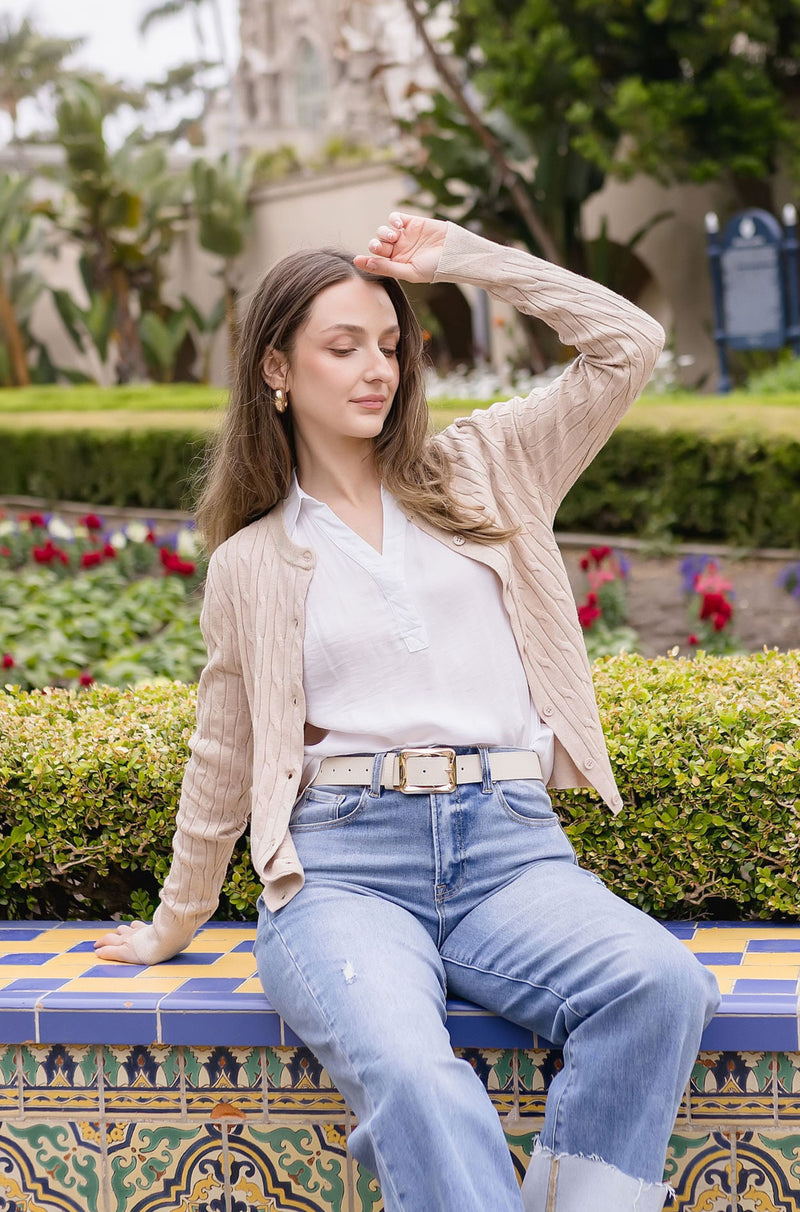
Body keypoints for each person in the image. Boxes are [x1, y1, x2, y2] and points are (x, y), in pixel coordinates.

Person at [95, 212, 720, 1212]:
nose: (375, 370)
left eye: (389, 345)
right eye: (342, 347)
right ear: (276, 369)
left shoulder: (489, 465)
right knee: (417, 1080)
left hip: (510, 852)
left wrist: (467, 262)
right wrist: (176, 921)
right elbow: (223, 750)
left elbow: (628, 345)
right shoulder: (251, 561)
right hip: (341, 874)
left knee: (660, 985)